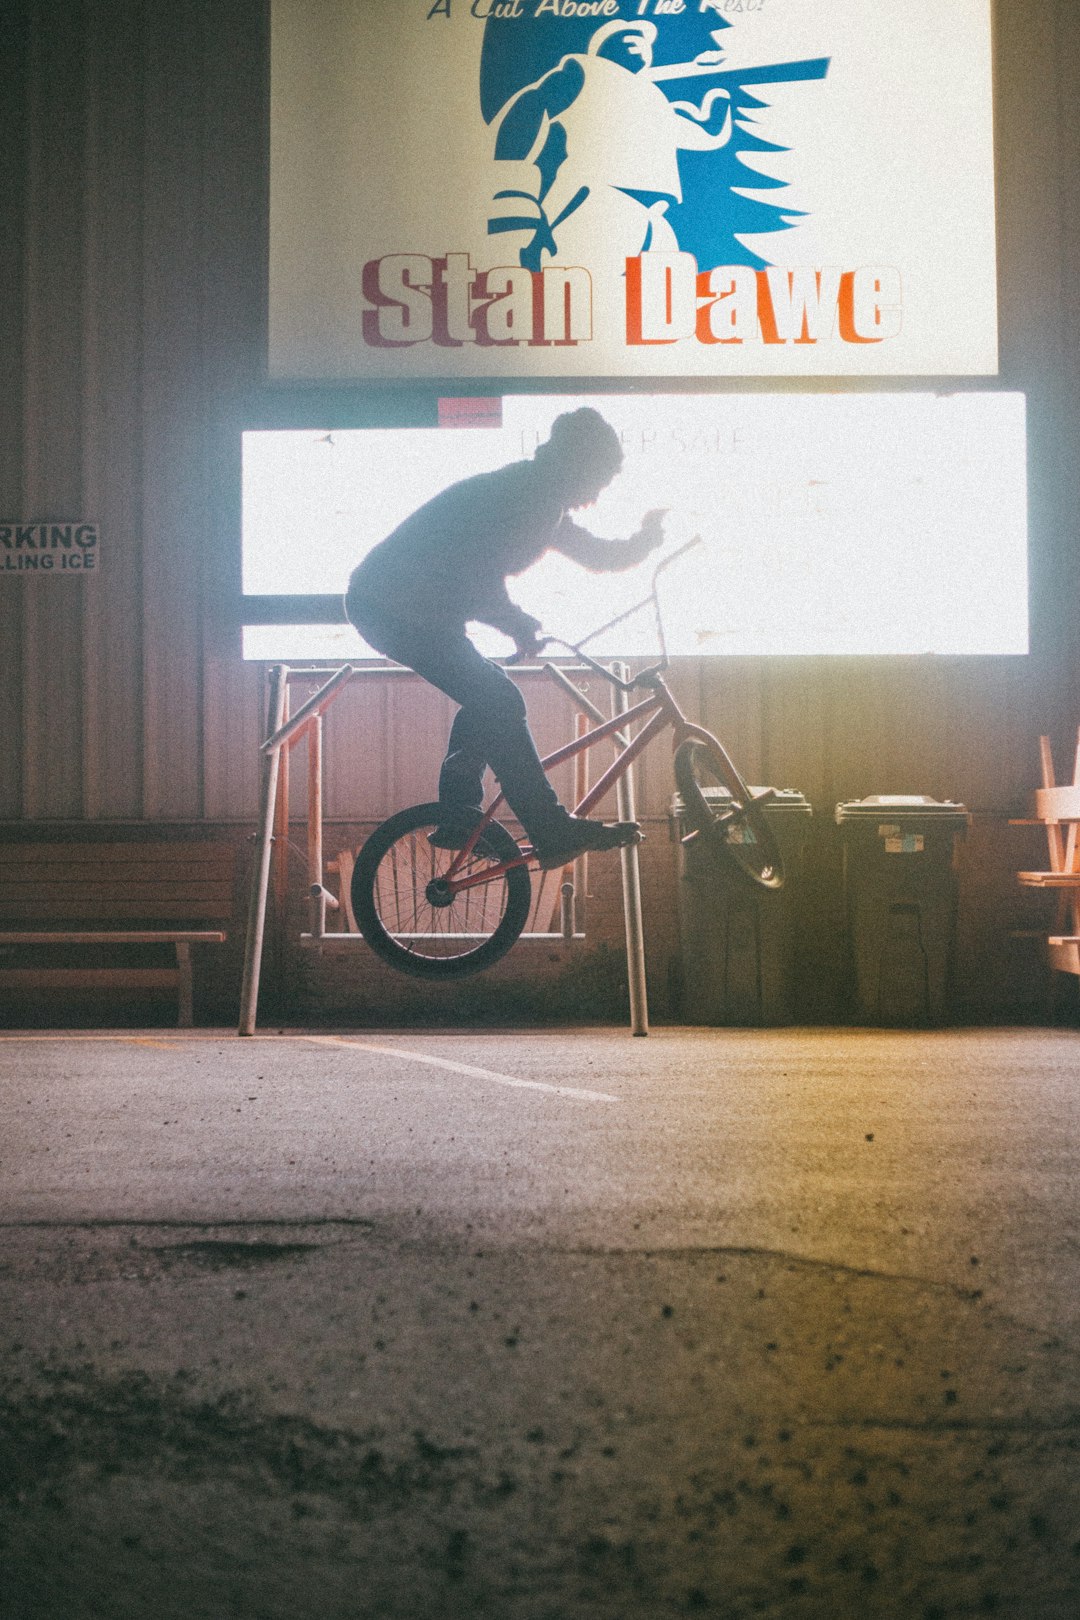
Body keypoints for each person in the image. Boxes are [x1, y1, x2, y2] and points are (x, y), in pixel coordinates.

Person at [344, 408, 666, 870]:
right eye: (599, 480)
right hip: (392, 605)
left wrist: (646, 538)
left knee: (491, 696)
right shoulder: (525, 497)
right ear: (579, 465)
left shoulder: (542, 499)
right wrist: (514, 621)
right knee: (497, 698)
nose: (597, 494)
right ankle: (544, 825)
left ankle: (460, 815)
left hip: (414, 608)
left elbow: (598, 555)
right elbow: (476, 570)